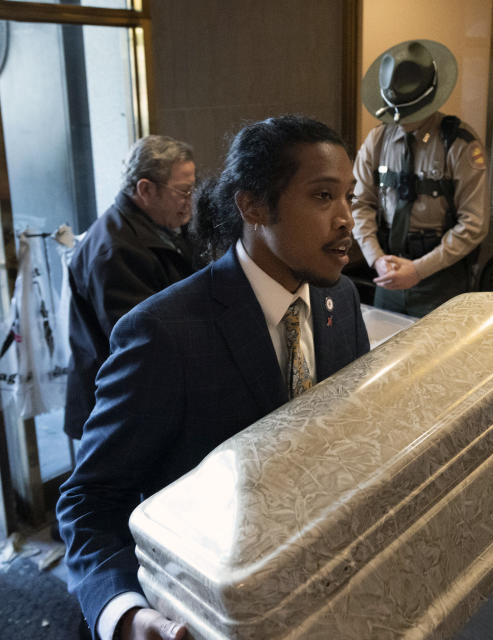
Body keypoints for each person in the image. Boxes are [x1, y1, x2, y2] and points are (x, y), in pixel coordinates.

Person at [57, 116, 370, 640]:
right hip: (209, 611)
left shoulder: (342, 298)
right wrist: (126, 615)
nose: (346, 220)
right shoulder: (164, 333)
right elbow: (89, 500)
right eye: (322, 197)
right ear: (252, 206)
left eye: (349, 197)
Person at [64, 135, 198, 439]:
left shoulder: (162, 226)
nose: (190, 199)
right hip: (120, 407)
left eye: (192, 187)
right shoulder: (113, 251)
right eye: (183, 190)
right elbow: (142, 342)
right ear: (145, 190)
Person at [352, 39, 489, 317]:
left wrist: (419, 270)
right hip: (388, 275)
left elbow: (474, 223)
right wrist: (376, 259)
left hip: (440, 280)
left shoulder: (459, 144)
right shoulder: (378, 140)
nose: (401, 119)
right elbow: (359, 203)